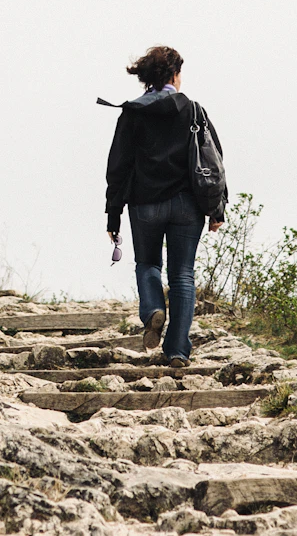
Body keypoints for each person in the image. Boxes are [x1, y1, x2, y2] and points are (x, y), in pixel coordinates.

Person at [103, 45, 225, 365]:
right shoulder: (194, 111)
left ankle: (154, 309)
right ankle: (177, 351)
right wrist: (216, 208)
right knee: (183, 274)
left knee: (147, 264)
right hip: (188, 207)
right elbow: (213, 161)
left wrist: (113, 214)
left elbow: (118, 166)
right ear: (174, 74)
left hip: (144, 205)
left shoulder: (131, 113)